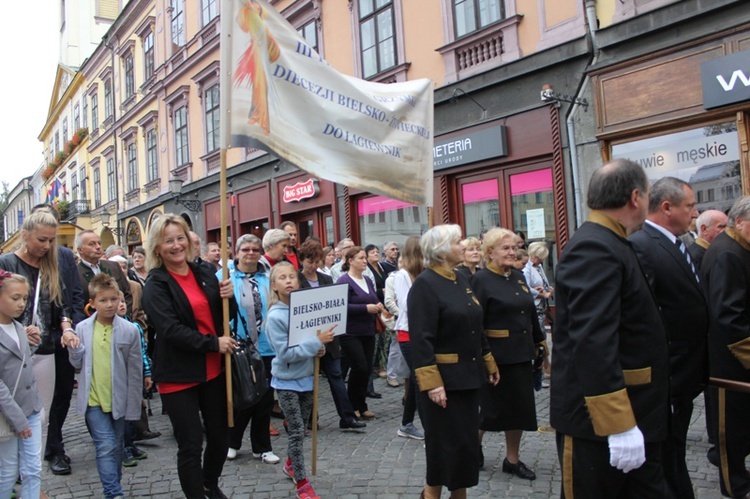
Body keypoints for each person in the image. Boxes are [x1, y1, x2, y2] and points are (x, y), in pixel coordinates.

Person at [551, 159, 669, 498]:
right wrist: (618, 424)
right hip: (598, 425)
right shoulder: (595, 246)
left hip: (633, 412)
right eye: (647, 194)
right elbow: (593, 341)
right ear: (636, 197)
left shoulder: (612, 242)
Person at [141, 214, 238, 499]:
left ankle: (209, 482)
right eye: (167, 240)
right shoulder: (156, 284)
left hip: (213, 369)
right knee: (191, 443)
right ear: (156, 248)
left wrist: (228, 298)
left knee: (221, 438)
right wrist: (212, 344)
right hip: (178, 374)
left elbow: (225, 318)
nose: (176, 245)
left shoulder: (205, 272)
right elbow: (170, 330)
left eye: (180, 238)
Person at [628, 177, 706, 499]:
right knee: (666, 454)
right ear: (667, 207)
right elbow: (645, 317)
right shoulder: (643, 245)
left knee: (675, 450)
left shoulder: (677, 244)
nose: (695, 213)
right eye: (689, 206)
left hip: (686, 375)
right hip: (668, 378)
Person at [408, 224, 500, 499]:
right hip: (443, 384)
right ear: (441, 250)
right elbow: (421, 340)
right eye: (458, 242)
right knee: (443, 447)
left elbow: (476, 325)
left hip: (468, 378)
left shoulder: (460, 278)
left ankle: (458, 495)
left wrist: (489, 362)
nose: (463, 246)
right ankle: (431, 495)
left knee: (465, 446)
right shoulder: (424, 285)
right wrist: (433, 384)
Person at [0, 211, 73, 477]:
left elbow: (60, 305)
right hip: (12, 352)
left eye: (51, 241)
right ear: (25, 236)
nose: (47, 246)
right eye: (42, 239)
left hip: (45, 350)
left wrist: (66, 328)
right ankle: (11, 475)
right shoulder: (5, 263)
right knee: (10, 416)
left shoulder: (51, 266)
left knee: (40, 417)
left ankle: (32, 477)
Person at [471, 228, 546, 479]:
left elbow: (530, 313)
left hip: (521, 355)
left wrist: (540, 343)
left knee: (520, 409)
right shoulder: (480, 280)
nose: (512, 252)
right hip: (495, 357)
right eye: (506, 248)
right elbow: (475, 323)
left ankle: (512, 460)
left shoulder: (517, 277)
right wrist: (485, 357)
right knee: (490, 411)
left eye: (514, 247)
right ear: (489, 252)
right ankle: (474, 447)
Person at [62, 274, 143, 499]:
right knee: (105, 444)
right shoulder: (83, 328)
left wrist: (135, 402)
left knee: (116, 445)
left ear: (119, 299)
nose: (109, 305)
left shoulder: (129, 330)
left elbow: (134, 370)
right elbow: (76, 364)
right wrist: (75, 350)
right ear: (92, 303)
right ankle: (113, 493)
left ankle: (113, 485)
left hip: (118, 398)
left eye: (113, 300)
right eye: (103, 300)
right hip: (93, 399)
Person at [265, 262, 335, 499]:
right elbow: (285, 353)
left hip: (307, 378)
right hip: (286, 381)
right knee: (296, 432)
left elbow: (309, 344)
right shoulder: (275, 317)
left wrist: (319, 350)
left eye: (292, 277)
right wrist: (316, 343)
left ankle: (290, 464)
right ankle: (302, 483)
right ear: (274, 286)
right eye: (282, 278)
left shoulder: (305, 310)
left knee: (301, 428)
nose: (288, 281)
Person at [29, 204, 85, 477]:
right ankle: (28, 453)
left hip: (61, 339)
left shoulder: (63, 255)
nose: (47, 243)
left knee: (61, 395)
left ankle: (54, 446)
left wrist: (70, 328)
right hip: (29, 345)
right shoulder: (11, 261)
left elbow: (75, 294)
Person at [701, 196, 750, 498]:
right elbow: (728, 314)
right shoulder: (727, 254)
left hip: (737, 358)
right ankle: (735, 487)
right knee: (729, 432)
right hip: (728, 361)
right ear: (740, 221)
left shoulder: (739, 248)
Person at [224, 234, 280, 464]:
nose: (250, 253)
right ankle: (232, 441)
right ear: (237, 252)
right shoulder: (225, 277)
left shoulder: (268, 277)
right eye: (245, 249)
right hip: (239, 348)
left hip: (267, 346)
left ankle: (262, 446)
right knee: (244, 397)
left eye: (255, 249)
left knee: (265, 399)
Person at [297, 241, 365, 431]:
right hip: (307, 339)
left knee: (336, 376)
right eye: (310, 261)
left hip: (328, 338)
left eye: (317, 261)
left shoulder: (326, 279)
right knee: (308, 379)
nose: (314, 265)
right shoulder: (296, 280)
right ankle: (310, 418)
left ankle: (347, 417)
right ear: (302, 260)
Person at [0, 272, 44, 499]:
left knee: (33, 469)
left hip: (31, 408)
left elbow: (22, 363)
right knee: (7, 472)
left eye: (25, 298)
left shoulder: (18, 327)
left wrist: (33, 342)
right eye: (15, 298)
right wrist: (18, 421)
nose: (21, 304)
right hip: (8, 415)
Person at [337, 246, 383, 420]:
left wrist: (378, 306)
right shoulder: (344, 281)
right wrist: (365, 308)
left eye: (365, 258)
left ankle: (362, 404)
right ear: (350, 261)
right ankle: (352, 405)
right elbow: (341, 306)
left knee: (366, 369)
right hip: (350, 332)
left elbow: (373, 298)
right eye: (361, 258)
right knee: (359, 366)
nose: (365, 261)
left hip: (368, 330)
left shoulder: (368, 280)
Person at [114, 290, 159, 466]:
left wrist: (147, 373)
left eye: (122, 301)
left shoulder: (135, 326)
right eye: (117, 302)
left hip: (134, 375)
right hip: (119, 377)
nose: (121, 304)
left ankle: (130, 442)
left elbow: (142, 352)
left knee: (132, 411)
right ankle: (122, 446)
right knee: (121, 415)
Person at [391, 237, 426, 440]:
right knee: (421, 378)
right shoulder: (402, 275)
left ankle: (406, 423)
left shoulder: (422, 274)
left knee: (416, 378)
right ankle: (428, 427)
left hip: (421, 331)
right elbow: (406, 303)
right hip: (408, 332)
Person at [76, 230, 133, 317]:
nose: (98, 247)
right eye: (92, 244)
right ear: (80, 250)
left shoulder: (114, 266)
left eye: (99, 243)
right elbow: (77, 304)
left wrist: (123, 316)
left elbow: (127, 294)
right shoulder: (75, 273)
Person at [365, 244, 388, 382]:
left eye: (377, 252)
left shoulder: (381, 266)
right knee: (377, 337)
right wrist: (381, 292)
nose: (376, 254)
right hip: (374, 304)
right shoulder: (366, 269)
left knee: (385, 338)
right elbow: (370, 289)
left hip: (384, 304)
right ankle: (374, 366)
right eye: (373, 252)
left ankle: (381, 365)